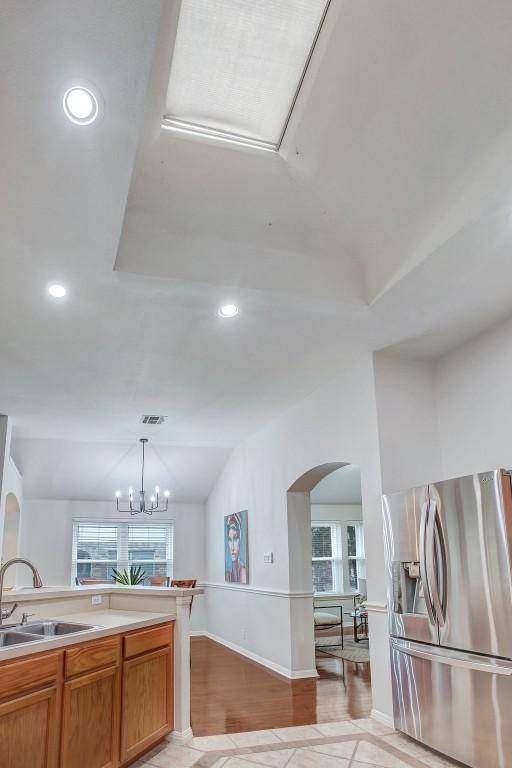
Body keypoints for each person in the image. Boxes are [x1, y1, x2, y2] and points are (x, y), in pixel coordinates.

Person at [225, 512, 247, 583]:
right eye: (229, 540)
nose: (232, 548)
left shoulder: (242, 571)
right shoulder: (227, 574)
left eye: (235, 539)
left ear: (240, 539)